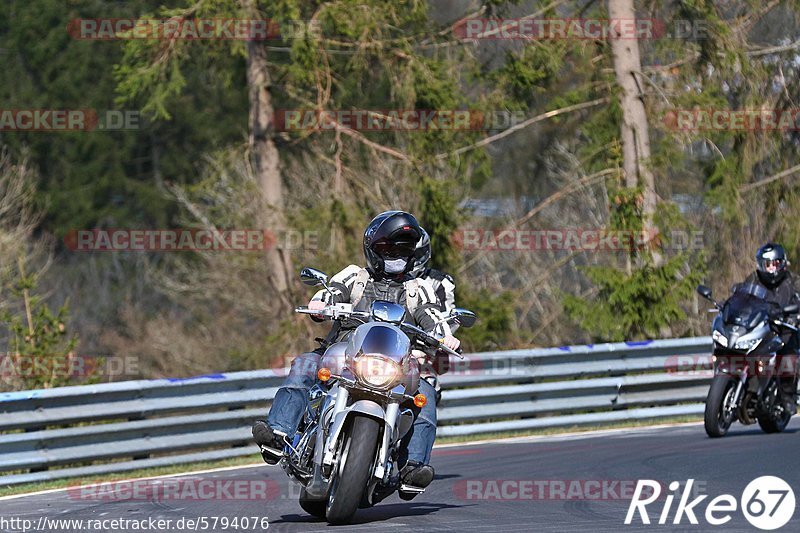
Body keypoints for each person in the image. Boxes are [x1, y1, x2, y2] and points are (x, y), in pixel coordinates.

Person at [252, 211, 460, 491]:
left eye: (402, 249)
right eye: (387, 248)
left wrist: (444, 335)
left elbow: (432, 315)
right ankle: (279, 433)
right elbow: (330, 292)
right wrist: (320, 304)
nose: (394, 255)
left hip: (394, 365)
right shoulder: (355, 276)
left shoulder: (418, 288)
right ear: (373, 248)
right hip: (345, 354)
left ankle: (412, 467)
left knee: (425, 393)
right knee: (304, 365)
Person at [743, 242, 800, 414]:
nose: (771, 269)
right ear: (761, 265)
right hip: (761, 328)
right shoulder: (754, 280)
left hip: (786, 329)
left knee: (789, 356)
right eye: (767, 265)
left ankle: (788, 396)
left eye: (775, 264)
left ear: (782, 263)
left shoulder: (793, 282)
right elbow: (741, 297)